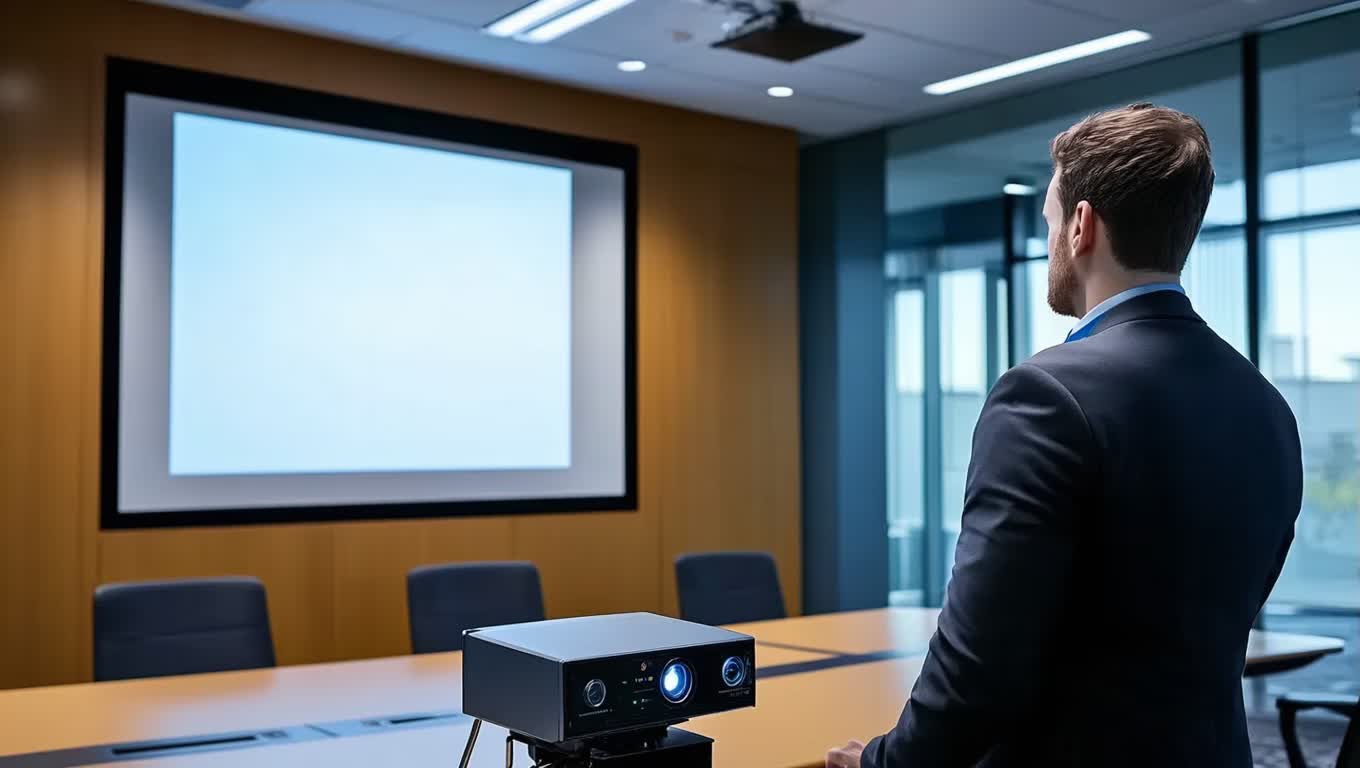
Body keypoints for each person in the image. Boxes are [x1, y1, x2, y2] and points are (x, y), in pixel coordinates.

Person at [827, 104, 1302, 767]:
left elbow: (978, 667)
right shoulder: (1266, 406)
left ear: (1081, 227)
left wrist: (884, 764)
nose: (1049, 239)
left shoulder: (1046, 396)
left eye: (1049, 220)